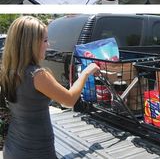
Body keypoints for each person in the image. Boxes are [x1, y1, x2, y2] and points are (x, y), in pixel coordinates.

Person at [0, 16, 100, 159]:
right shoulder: (37, 75)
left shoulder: (8, 71)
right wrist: (86, 72)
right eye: (45, 40)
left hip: (12, 149)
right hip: (37, 152)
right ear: (30, 44)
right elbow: (69, 100)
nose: (48, 45)